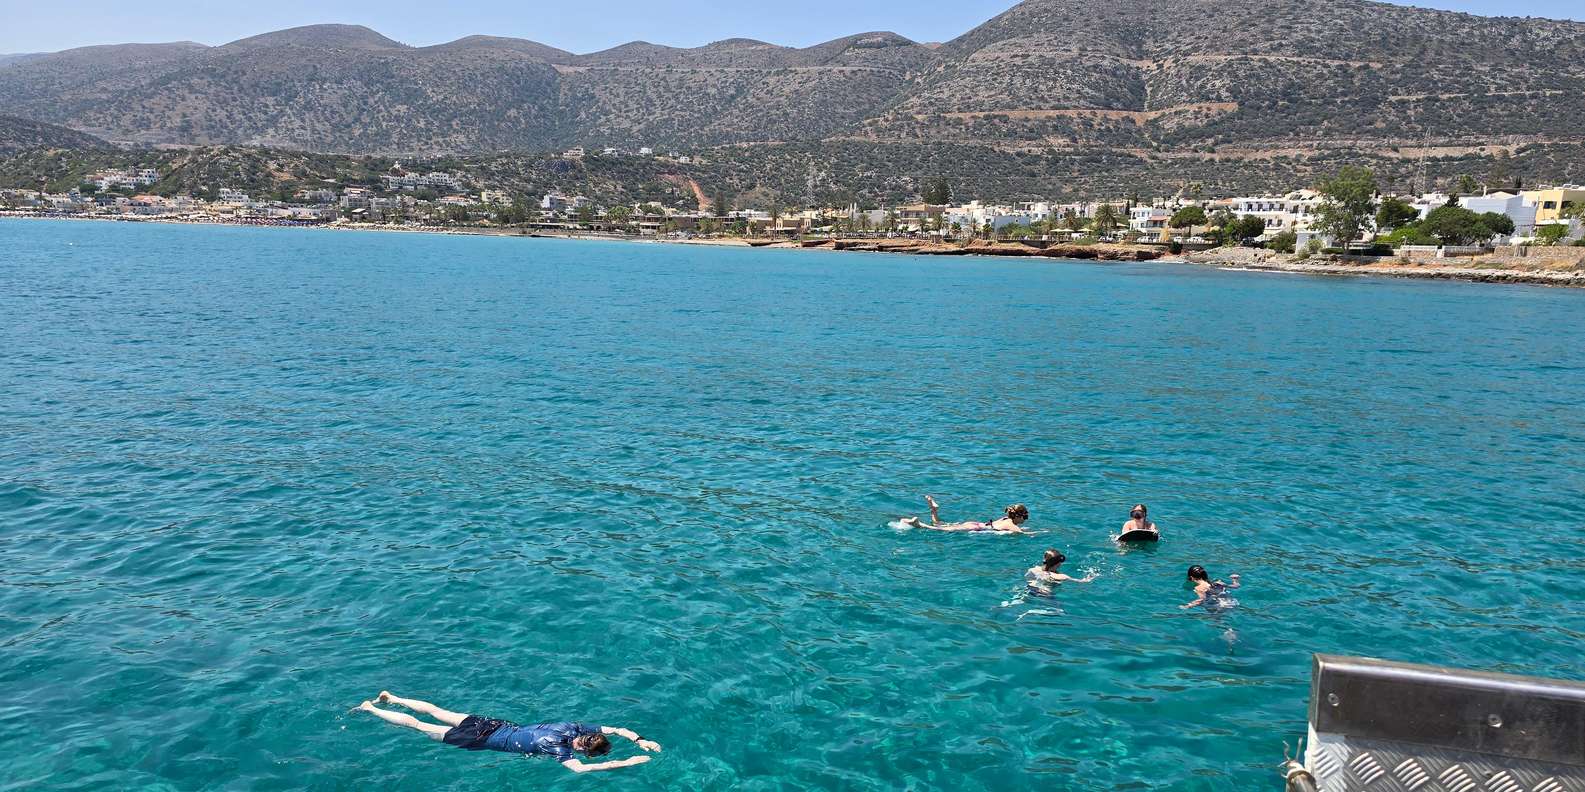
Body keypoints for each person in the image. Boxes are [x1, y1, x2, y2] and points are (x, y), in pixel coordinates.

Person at [356, 691, 661, 773]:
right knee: (421, 726)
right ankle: (370, 708)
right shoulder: (558, 749)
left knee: (436, 710)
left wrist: (639, 739)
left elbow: (616, 728)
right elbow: (581, 770)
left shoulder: (573, 727)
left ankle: (392, 697)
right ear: (585, 750)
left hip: (493, 724)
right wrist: (628, 761)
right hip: (482, 738)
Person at [903, 495, 1032, 535]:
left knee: (940, 524)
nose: (1025, 519)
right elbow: (1023, 534)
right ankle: (919, 524)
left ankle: (934, 509)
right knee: (941, 530)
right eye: (1025, 517)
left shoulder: (1005, 519)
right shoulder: (1011, 525)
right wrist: (1040, 533)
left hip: (976, 524)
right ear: (1018, 516)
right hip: (976, 528)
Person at [1025, 549, 1096, 595]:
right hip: (1045, 596)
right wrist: (1092, 575)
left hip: (1030, 591)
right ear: (1059, 563)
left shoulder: (1033, 570)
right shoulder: (1060, 576)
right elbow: (1082, 582)